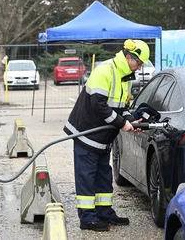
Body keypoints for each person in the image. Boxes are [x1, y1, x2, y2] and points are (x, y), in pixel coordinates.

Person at [63, 39, 150, 231]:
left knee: (103, 174)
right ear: (128, 58)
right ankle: (87, 218)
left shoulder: (125, 77)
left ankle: (104, 212)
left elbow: (123, 106)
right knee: (86, 176)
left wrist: (130, 120)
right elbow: (99, 106)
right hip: (87, 133)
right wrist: (122, 123)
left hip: (103, 136)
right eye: (138, 63)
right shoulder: (105, 71)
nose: (139, 67)